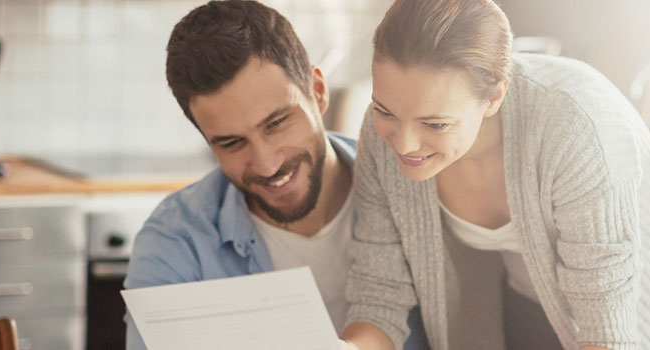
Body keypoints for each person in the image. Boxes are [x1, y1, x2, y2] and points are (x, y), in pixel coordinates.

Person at [339, 0, 650, 349]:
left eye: (435, 124)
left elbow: (606, 331)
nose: (403, 145)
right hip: (527, 286)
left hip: (644, 282)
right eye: (385, 110)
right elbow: (379, 294)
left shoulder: (572, 125)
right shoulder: (379, 137)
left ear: (493, 97)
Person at [123, 1, 425, 349]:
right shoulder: (177, 241)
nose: (266, 165)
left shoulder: (410, 189)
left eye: (277, 123)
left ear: (318, 91)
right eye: (232, 143)